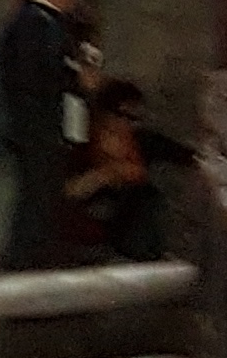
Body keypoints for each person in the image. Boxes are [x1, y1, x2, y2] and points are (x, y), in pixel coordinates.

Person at [0, 0, 102, 270]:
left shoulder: (41, 21)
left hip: (40, 125)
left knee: (42, 195)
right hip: (36, 126)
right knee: (38, 197)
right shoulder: (34, 24)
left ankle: (36, 258)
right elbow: (35, 79)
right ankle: (29, 261)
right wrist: (76, 78)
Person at [65, 78, 189, 262]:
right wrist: (105, 175)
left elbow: (185, 157)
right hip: (90, 244)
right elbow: (68, 191)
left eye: (135, 119)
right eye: (125, 116)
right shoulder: (81, 144)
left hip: (132, 245)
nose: (130, 126)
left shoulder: (143, 142)